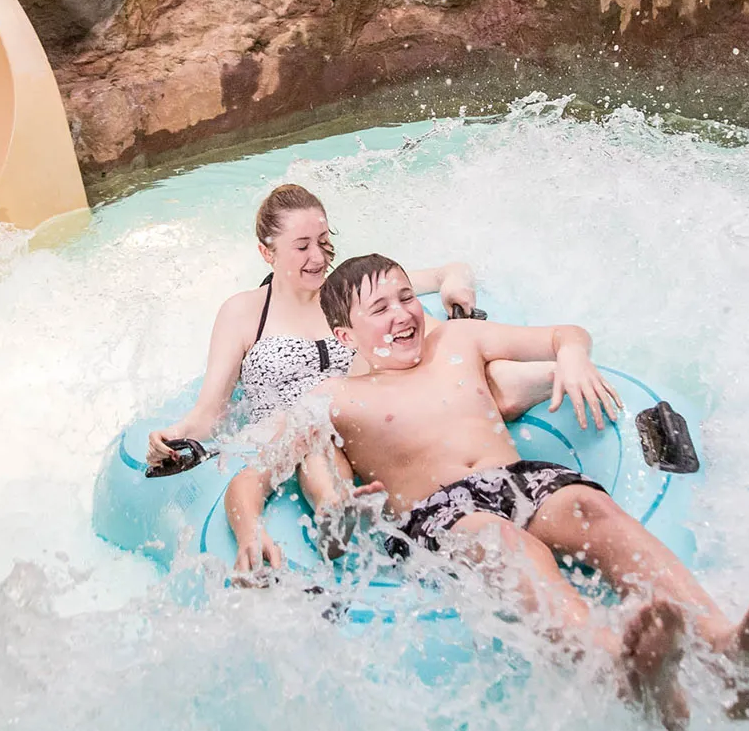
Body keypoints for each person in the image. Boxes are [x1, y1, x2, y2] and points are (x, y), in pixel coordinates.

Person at [308, 253, 749, 731]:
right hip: (440, 512)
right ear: (345, 335)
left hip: (519, 479)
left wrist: (571, 358)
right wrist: (335, 505)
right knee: (504, 542)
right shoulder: (335, 397)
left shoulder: (458, 341)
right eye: (380, 309)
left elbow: (564, 333)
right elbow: (311, 468)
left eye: (406, 297)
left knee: (592, 506)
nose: (403, 314)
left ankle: (724, 650)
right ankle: (618, 666)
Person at [146, 184, 562, 572]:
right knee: (318, 427)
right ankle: (336, 510)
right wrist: (175, 437)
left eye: (324, 241)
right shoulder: (243, 312)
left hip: (373, 418)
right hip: (292, 431)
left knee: (446, 365)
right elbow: (210, 412)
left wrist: (454, 285)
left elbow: (448, 272)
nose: (318, 257)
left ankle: (554, 374)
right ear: (266, 252)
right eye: (302, 246)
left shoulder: (352, 293)